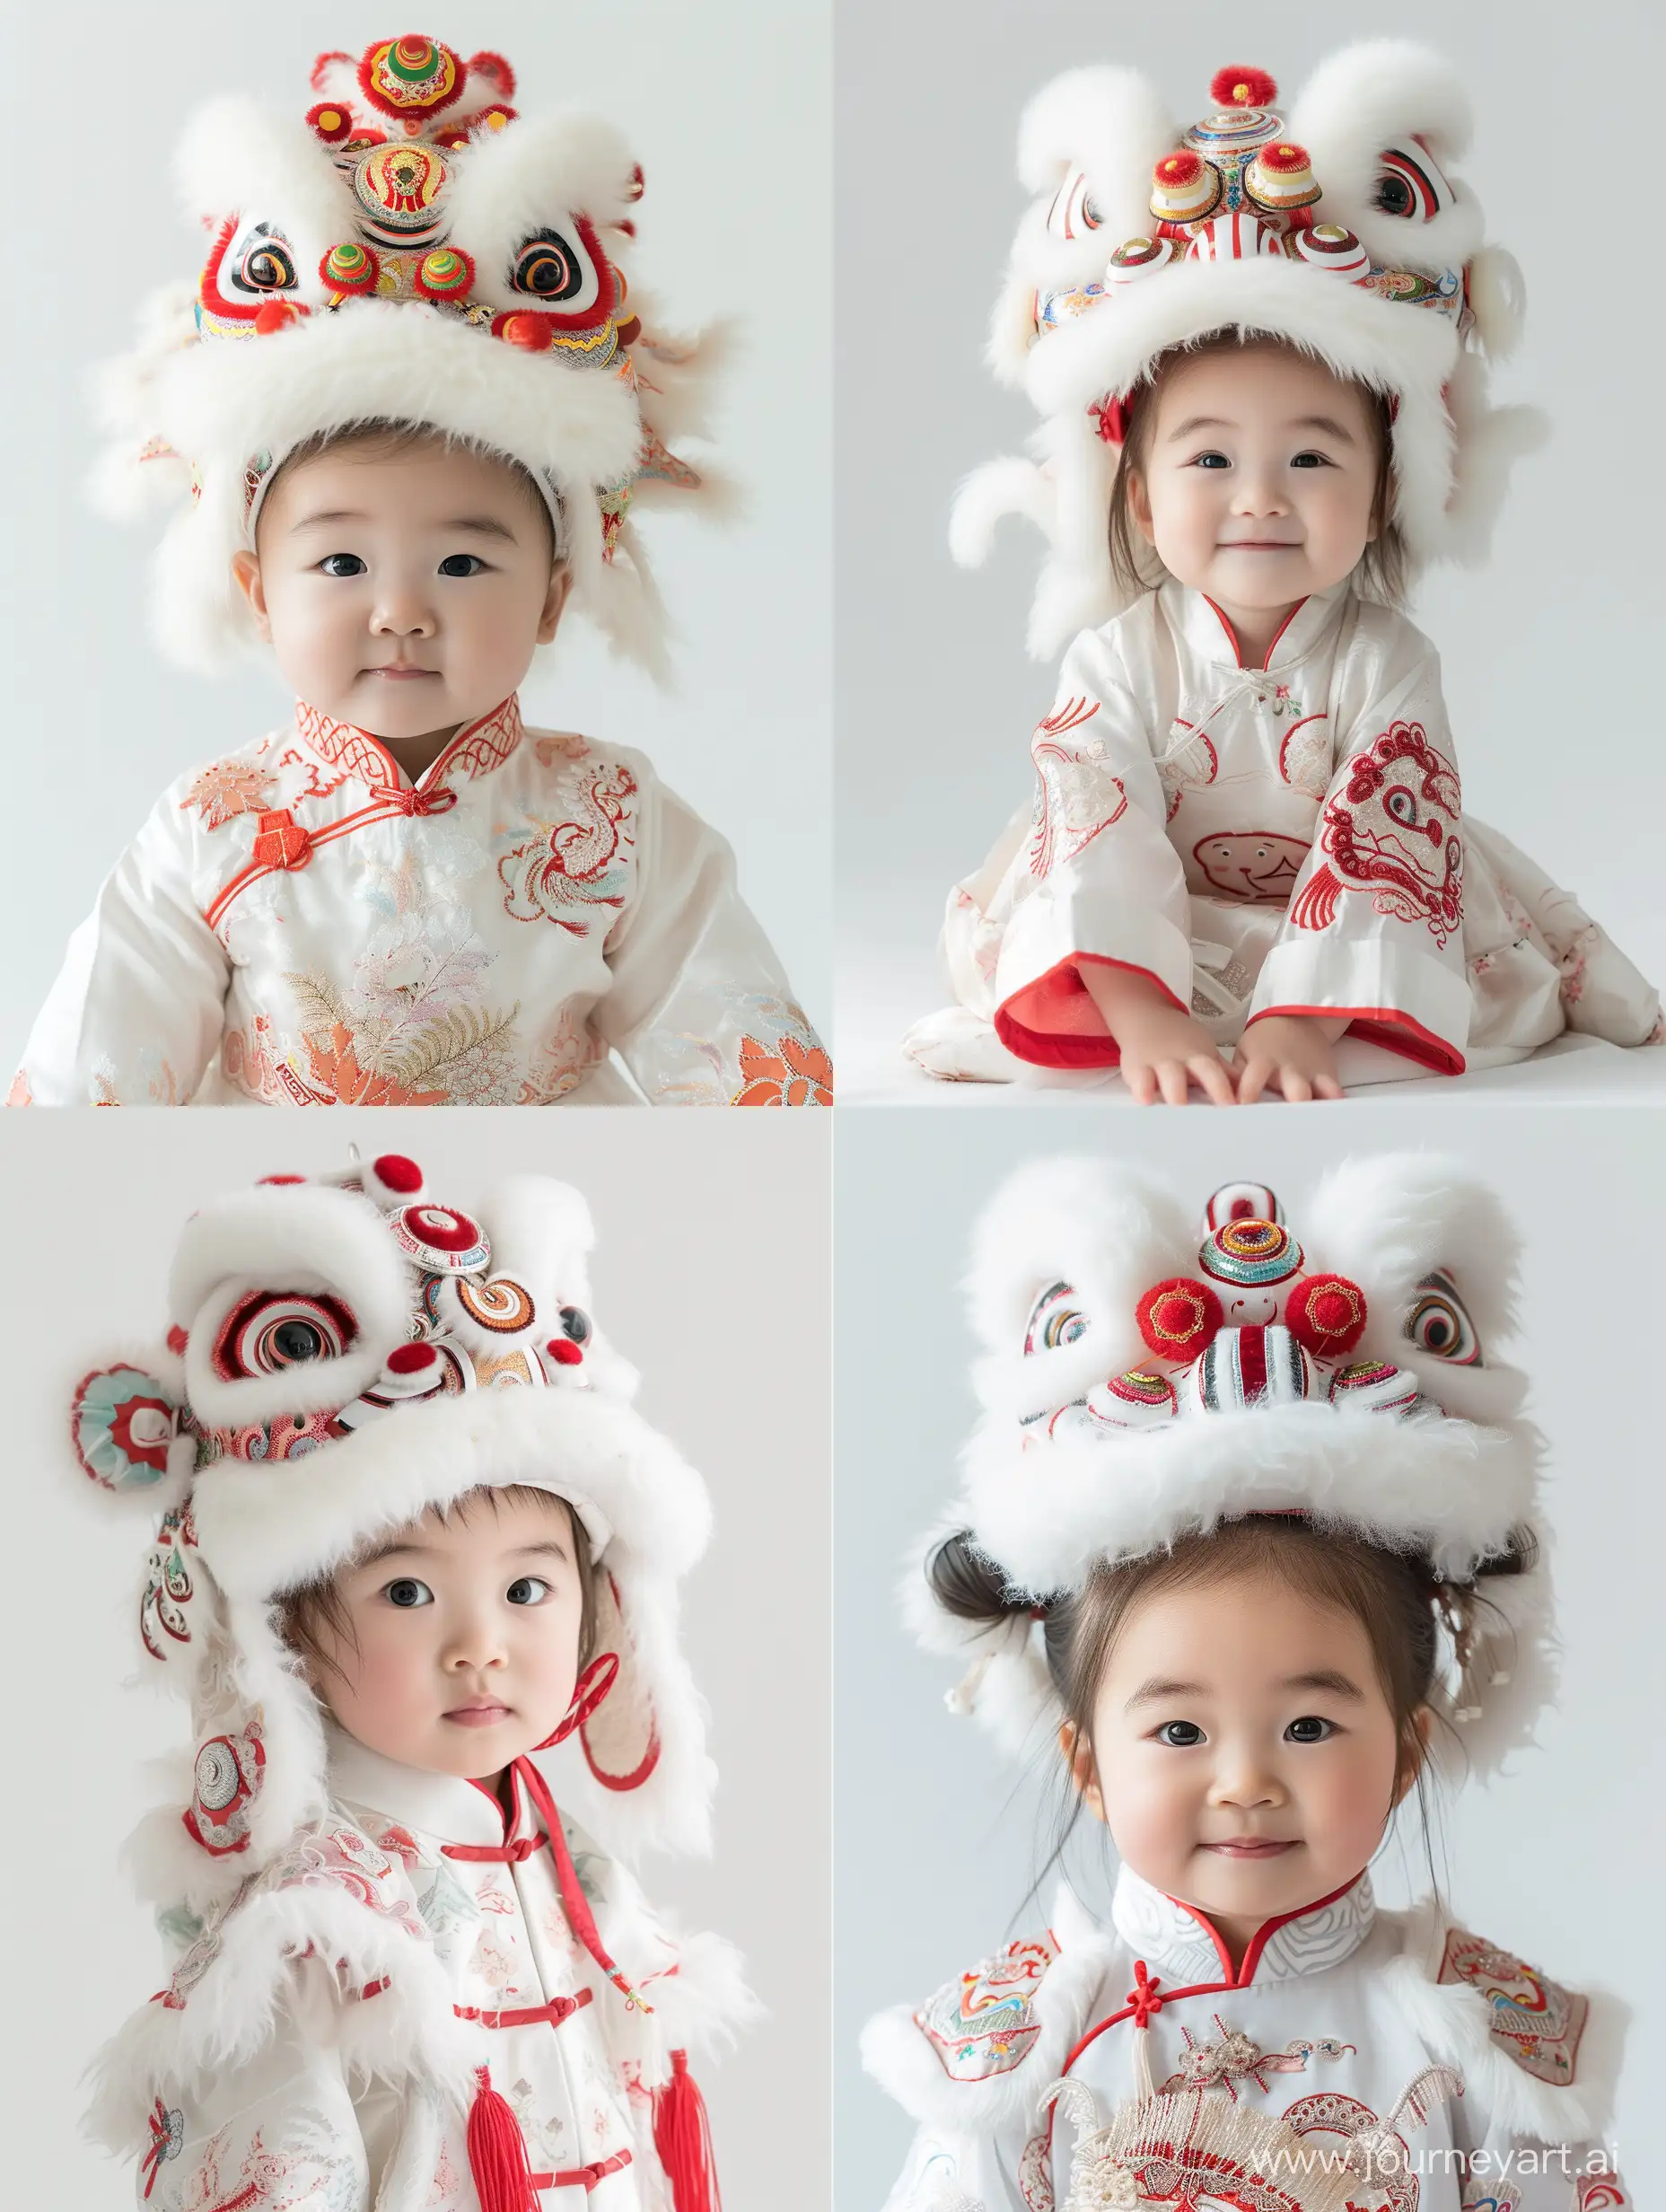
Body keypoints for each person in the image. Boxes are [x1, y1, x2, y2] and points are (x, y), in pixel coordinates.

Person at [13, 35, 829, 1109]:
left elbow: (741, 1066)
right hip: (276, 1204)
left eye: (460, 560)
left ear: (553, 593)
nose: (399, 611)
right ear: (259, 591)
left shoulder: (614, 814)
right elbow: (94, 1078)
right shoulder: (212, 823)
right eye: (341, 560)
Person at [863, 1160, 1627, 2210]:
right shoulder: (1014, 2061)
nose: (1245, 1780)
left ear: (1405, 1749)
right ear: (1085, 1760)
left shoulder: (1482, 2050)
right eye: (1178, 1731)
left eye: (1308, 1723)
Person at [905, 48, 1658, 1101]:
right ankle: (1146, 1006)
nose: (1259, 497)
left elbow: (1380, 838)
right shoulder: (1115, 657)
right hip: (1146, 925)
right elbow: (1096, 822)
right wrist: (1141, 1008)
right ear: (1135, 496)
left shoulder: (1386, 660)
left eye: (1310, 458)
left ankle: (1316, 1009)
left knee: (1436, 969)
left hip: (1344, 931)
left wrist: (1308, 1020)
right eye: (1208, 459)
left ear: (1384, 488)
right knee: (1059, 915)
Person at [74, 1151, 748, 2208]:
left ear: (600, 1604)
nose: (480, 1645)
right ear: (282, 1636)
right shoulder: (317, 1927)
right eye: (406, 1595)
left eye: (528, 1591)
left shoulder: (568, 1863)